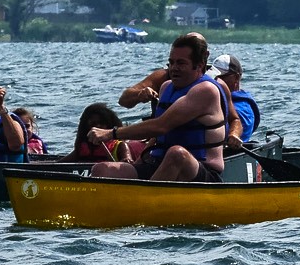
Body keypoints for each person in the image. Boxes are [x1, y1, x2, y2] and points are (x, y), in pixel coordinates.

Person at [88, 32, 231, 181]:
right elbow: (158, 136)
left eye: (181, 63)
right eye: (171, 62)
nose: (174, 68)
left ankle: (143, 201)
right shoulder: (166, 87)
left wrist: (111, 133)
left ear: (200, 65)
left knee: (177, 154)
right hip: (159, 165)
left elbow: (160, 126)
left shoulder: (206, 90)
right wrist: (140, 161)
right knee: (102, 169)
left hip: (201, 172)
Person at [213, 54, 260, 147]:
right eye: (213, 76)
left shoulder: (242, 110)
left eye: (220, 77)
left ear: (236, 78)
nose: (215, 81)